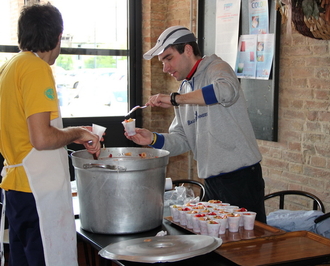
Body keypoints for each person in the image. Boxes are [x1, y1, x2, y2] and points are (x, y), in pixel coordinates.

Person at [125, 26, 266, 223]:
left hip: (240, 178)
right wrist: (152, 138)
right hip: (212, 181)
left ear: (188, 50)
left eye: (168, 58)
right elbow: (182, 140)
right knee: (215, 245)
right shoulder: (184, 89)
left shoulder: (217, 68)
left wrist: (177, 99)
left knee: (249, 247)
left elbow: (226, 92)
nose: (165, 68)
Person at [0, 3, 101, 266]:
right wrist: (77, 131)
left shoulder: (10, 67)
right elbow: (42, 138)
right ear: (58, 37)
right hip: (36, 192)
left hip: (16, 189)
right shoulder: (36, 69)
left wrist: (70, 136)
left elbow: (24, 132)